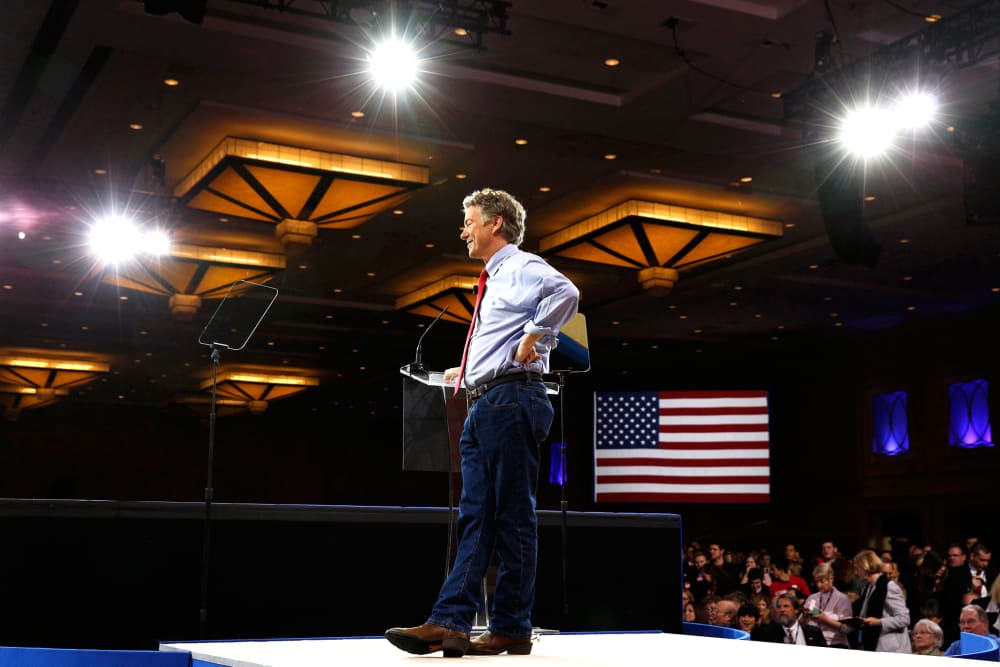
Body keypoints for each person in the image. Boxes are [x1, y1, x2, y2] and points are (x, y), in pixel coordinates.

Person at [384, 188, 580, 657]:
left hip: (511, 400)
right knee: (478, 516)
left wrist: (538, 333)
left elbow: (566, 292)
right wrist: (467, 369)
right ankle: (452, 620)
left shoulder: (520, 265)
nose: (464, 229)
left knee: (511, 517)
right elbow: (500, 334)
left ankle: (510, 625)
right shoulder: (495, 277)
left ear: (495, 223)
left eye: (469, 220)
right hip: (486, 402)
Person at [853, 549, 912, 653]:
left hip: (891, 648)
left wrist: (879, 622)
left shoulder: (889, 587)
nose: (856, 572)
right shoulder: (869, 587)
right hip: (875, 645)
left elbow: (904, 619)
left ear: (865, 567)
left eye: (857, 568)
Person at [802, 562, 853, 647]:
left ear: (831, 579)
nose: (818, 585)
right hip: (812, 641)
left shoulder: (842, 599)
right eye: (816, 581)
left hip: (834, 643)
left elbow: (848, 629)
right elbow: (803, 622)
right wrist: (804, 616)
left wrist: (825, 620)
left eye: (822, 581)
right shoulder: (812, 598)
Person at [757, 592, 827, 646]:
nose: (782, 609)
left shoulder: (814, 632)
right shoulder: (767, 633)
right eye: (779, 607)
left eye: (786, 606)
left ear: (796, 610)